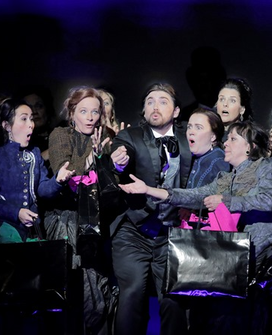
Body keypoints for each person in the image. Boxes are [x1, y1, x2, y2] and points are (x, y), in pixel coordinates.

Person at [118, 120, 272, 335]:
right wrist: (150, 190)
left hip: (259, 253)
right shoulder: (225, 178)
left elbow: (266, 200)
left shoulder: (266, 166)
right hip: (229, 255)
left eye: (233, 139)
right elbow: (193, 196)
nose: (226, 143)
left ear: (250, 146)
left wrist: (224, 201)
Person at [108, 82, 192, 335]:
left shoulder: (188, 137)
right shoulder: (130, 136)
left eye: (163, 101)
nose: (155, 107)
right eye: (150, 102)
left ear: (176, 111)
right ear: (143, 111)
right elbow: (123, 155)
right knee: (132, 291)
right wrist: (120, 163)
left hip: (172, 233)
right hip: (134, 229)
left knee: (172, 299)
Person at [46, 86, 117, 335]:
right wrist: (92, 158)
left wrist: (110, 156)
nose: (90, 117)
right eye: (83, 111)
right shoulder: (60, 135)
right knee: (76, 290)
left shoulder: (106, 139)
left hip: (99, 222)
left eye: (95, 111)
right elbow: (64, 170)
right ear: (72, 112)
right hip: (67, 222)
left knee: (100, 293)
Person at [0, 97, 73, 244]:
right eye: (24, 119)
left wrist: (57, 181)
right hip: (0, 232)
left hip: (29, 232)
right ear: (7, 126)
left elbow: (42, 190)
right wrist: (16, 213)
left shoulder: (33, 153)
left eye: (31, 119)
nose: (31, 125)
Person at [179, 107, 231, 225]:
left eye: (198, 127)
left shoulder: (218, 159)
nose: (191, 131)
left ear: (213, 136)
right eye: (189, 126)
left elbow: (220, 195)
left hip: (206, 230)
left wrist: (190, 207)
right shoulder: (190, 156)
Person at [179, 46, 227, 122]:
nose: (204, 85)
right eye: (199, 79)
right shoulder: (183, 116)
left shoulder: (232, 113)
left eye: (210, 78)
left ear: (219, 79)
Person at [215, 77, 254, 143]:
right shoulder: (208, 133)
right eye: (222, 99)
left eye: (232, 100)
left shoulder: (248, 137)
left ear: (242, 109)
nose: (225, 104)